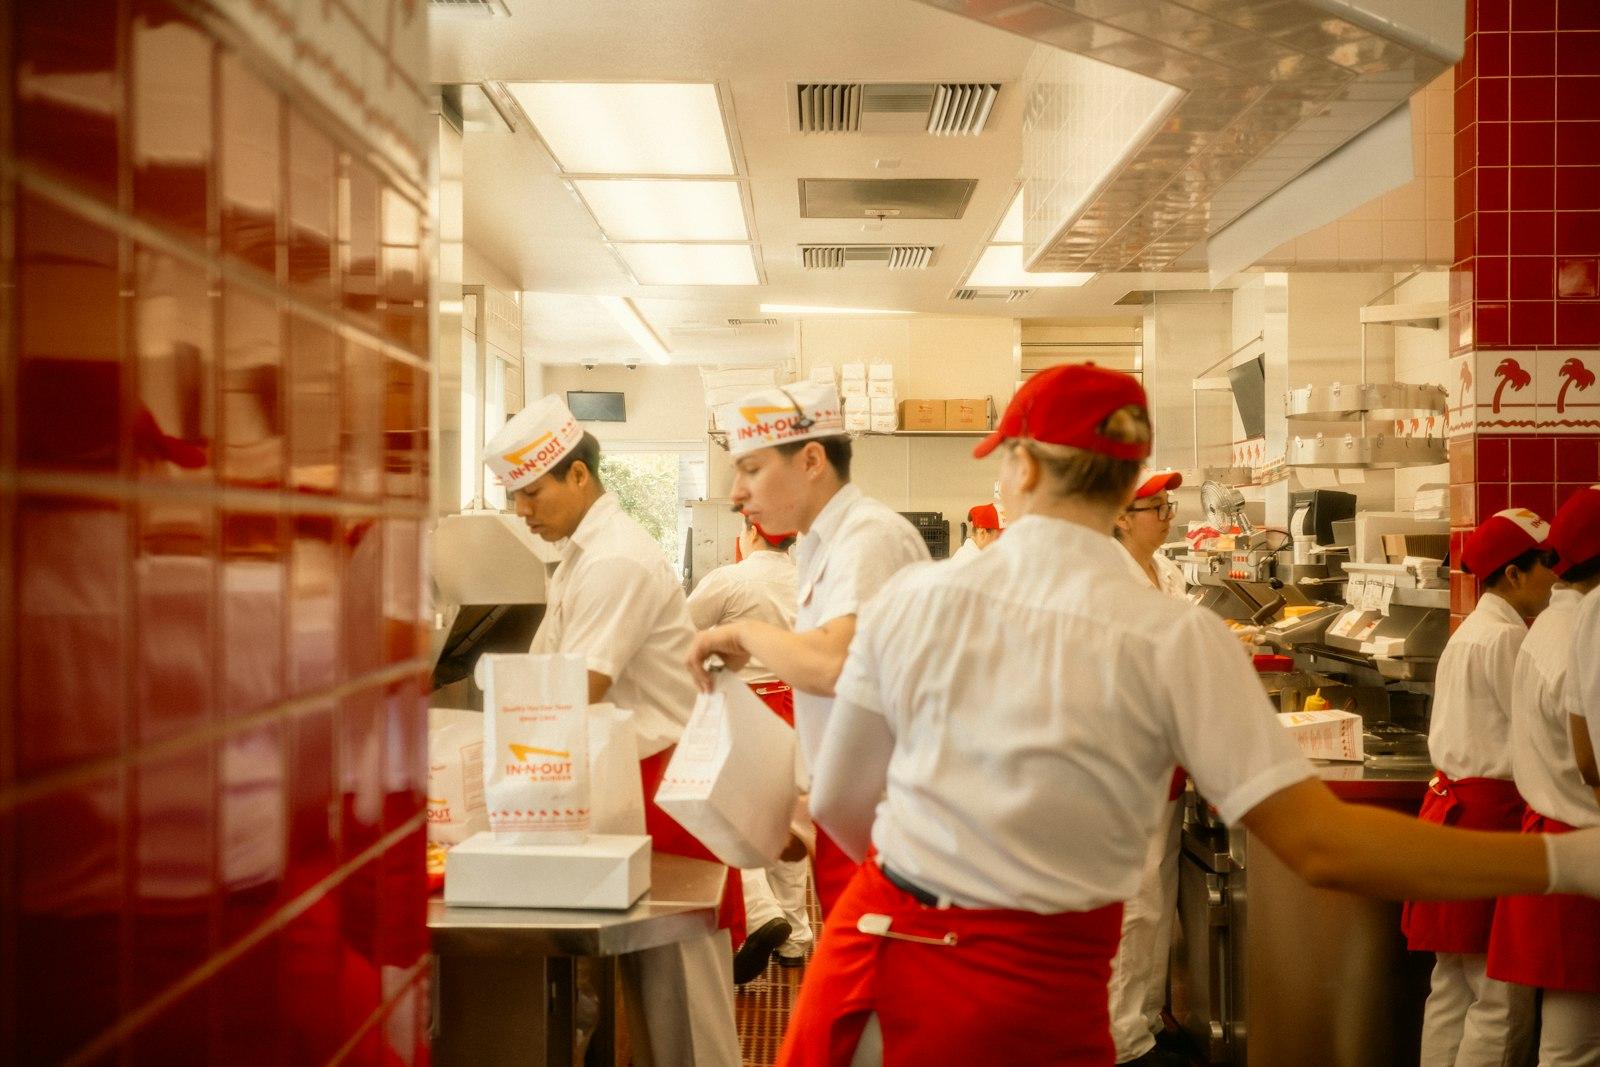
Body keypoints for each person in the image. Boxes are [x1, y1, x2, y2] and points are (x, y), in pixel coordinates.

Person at [778, 364, 1600, 1067]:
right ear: (1129, 485)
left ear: (1022, 466)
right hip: (1042, 990)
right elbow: (1324, 845)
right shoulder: (1175, 636)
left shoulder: (916, 599)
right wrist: (1563, 864)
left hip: (883, 956)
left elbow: (842, 803)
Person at [484, 395, 741, 1066]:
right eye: (514, 496)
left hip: (665, 794)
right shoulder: (583, 556)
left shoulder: (614, 560)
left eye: (531, 492)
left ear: (578, 476)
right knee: (652, 1016)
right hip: (636, 789)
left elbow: (573, 692)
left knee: (686, 1015)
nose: (521, 511)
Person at [685, 380, 929, 918]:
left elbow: (833, 665)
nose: (736, 494)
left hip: (895, 839)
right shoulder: (821, 547)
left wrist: (741, 633)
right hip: (858, 833)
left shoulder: (869, 538)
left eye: (751, 469)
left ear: (812, 459)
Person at [1402, 509, 1556, 1067]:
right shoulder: (1508, 639)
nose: (1555, 577)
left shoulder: (1472, 631)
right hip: (1492, 820)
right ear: (1514, 575)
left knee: (1451, 986)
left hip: (1451, 814)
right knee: (1498, 996)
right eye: (1547, 564)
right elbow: (1536, 739)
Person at [1487, 486, 1600, 1065]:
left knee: (1566, 1039)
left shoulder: (1548, 630)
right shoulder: (1581, 636)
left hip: (1553, 833)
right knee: (1574, 1046)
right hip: (1579, 849)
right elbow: (1590, 760)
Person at [687, 518, 815, 983]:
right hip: (797, 709)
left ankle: (762, 917)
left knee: (729, 821)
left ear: (749, 530)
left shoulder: (731, 579)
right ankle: (796, 938)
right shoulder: (808, 577)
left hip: (745, 710)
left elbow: (680, 632)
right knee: (787, 823)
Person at [1106, 469, 1189, 1067]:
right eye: (1155, 506)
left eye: (1168, 505)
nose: (1168, 515)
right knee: (1134, 904)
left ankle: (1149, 1017)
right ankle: (1120, 1037)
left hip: (1168, 753)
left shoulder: (1170, 573)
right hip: (1126, 760)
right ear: (1121, 517)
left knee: (1159, 896)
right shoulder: (1108, 581)